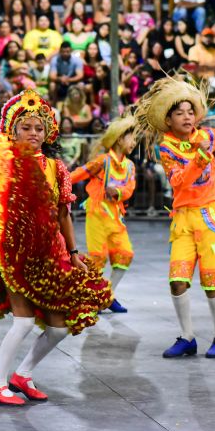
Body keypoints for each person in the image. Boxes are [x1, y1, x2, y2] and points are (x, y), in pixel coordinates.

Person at [0, 89, 111, 405]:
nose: (32, 133)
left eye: (38, 128)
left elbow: (63, 213)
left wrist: (73, 254)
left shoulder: (56, 168)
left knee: (59, 328)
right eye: (26, 127)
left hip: (52, 253)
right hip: (15, 254)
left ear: (48, 133)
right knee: (24, 321)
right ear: (13, 129)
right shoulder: (2, 162)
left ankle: (22, 375)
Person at [134, 76, 215, 359]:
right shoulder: (167, 148)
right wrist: (199, 158)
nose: (186, 116)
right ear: (168, 120)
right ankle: (187, 337)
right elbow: (179, 182)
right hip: (183, 219)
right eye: (179, 113)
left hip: (211, 216)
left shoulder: (206, 136)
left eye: (190, 111)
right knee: (177, 280)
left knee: (212, 282)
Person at [70, 116, 137, 314]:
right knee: (97, 258)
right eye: (131, 138)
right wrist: (57, 181)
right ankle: (94, 298)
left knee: (125, 255)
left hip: (116, 216)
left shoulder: (130, 166)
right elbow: (79, 174)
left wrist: (117, 192)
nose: (134, 142)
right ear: (119, 139)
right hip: (97, 213)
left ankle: (107, 295)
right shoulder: (103, 161)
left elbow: (130, 189)